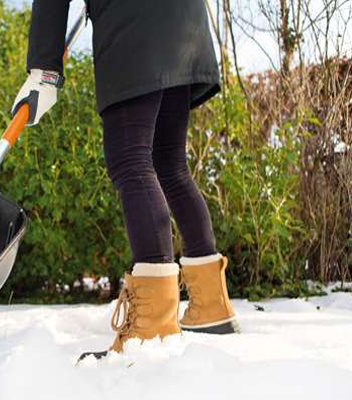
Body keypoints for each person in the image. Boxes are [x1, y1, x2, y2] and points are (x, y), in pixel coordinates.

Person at [12, 0, 239, 358]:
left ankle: (152, 328)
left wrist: (44, 70)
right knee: (170, 165)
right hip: (183, 25)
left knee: (130, 161)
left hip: (135, 28)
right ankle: (211, 306)